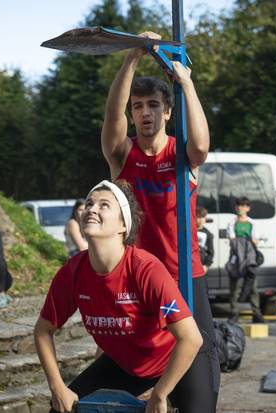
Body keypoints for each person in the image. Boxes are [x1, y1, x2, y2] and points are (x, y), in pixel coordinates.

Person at [100, 30, 220, 405]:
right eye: (139, 107)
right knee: (130, 371)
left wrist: (185, 82)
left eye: (153, 105)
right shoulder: (124, 155)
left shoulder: (182, 155)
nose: (145, 113)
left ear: (167, 111)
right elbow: (111, 116)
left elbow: (201, 145)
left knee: (199, 394)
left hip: (184, 276)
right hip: (138, 281)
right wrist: (132, 57)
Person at [35, 180, 212, 413]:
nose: (91, 209)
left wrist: (160, 393)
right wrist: (57, 387)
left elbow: (191, 339)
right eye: (89, 203)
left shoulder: (145, 269)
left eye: (104, 205)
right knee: (61, 408)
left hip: (180, 358)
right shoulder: (73, 272)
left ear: (123, 226)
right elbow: (42, 331)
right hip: (128, 365)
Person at [225, 197, 264, 324]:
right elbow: (232, 240)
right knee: (234, 287)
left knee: (253, 287)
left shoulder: (252, 223)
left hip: (249, 258)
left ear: (248, 208)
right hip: (236, 256)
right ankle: (234, 313)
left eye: (243, 206)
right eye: (238, 205)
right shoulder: (231, 223)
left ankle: (256, 314)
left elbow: (255, 240)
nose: (240, 208)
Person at [195, 207, 214, 271]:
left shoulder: (208, 234)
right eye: (198, 217)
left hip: (201, 264)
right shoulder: (189, 231)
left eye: (203, 217)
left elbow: (211, 252)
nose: (200, 220)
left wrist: (206, 265)